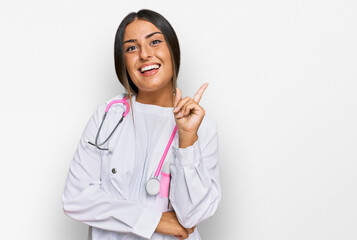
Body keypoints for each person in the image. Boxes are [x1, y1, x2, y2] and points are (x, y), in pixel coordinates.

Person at [62, 9, 221, 240]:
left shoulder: (202, 128)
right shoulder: (107, 116)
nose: (145, 54)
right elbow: (75, 198)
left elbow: (191, 216)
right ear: (122, 61)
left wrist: (187, 140)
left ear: (172, 50)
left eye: (155, 42)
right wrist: (154, 221)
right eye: (131, 48)